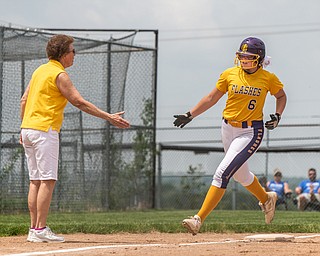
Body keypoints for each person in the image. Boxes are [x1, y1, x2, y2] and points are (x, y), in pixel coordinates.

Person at [20, 34, 130, 243]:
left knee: (35, 181)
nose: (74, 55)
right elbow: (79, 102)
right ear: (62, 54)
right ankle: (40, 229)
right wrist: (108, 117)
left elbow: (24, 99)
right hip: (45, 131)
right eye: (72, 51)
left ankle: (34, 230)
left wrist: (23, 126)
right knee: (47, 180)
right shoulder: (59, 75)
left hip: (28, 130)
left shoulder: (39, 71)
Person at [173, 36, 287, 235]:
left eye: (249, 57)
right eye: (242, 56)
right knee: (241, 176)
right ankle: (267, 198)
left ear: (259, 59)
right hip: (227, 128)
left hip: (250, 131)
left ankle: (198, 219)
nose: (244, 60)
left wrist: (277, 116)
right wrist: (190, 114)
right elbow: (211, 98)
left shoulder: (267, 78)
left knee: (222, 173)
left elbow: (281, 96)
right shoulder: (229, 74)